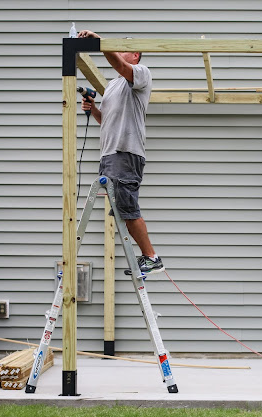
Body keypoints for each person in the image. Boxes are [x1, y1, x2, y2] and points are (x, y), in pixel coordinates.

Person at [78, 29, 163, 276]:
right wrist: (93, 108)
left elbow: (118, 63)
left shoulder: (141, 74)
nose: (119, 51)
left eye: (124, 48)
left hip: (126, 152)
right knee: (120, 211)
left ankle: (152, 257)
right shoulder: (113, 86)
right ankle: (148, 256)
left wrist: (101, 44)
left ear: (135, 55)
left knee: (127, 208)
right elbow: (106, 120)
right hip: (109, 154)